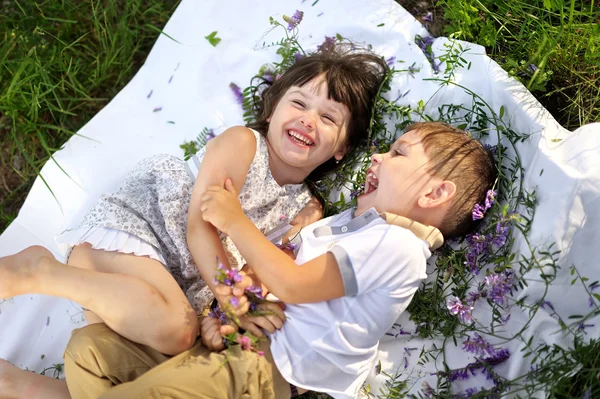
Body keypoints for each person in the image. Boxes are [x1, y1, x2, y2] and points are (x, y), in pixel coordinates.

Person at [0, 121, 495, 399]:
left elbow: (296, 285)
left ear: (435, 192)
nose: (380, 159)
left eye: (399, 153)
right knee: (89, 350)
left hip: (268, 375)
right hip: (243, 348)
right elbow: (270, 292)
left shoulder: (400, 248)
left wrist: (236, 220)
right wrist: (226, 318)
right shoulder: (347, 227)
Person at [0, 44, 389, 357]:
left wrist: (222, 313)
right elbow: (199, 226)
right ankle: (40, 270)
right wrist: (224, 291)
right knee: (176, 331)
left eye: (329, 118)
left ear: (343, 148)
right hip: (138, 236)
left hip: (145, 293)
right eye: (300, 104)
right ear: (272, 110)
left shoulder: (304, 211)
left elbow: (263, 269)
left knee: (127, 375)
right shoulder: (243, 145)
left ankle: (15, 385)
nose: (308, 120)